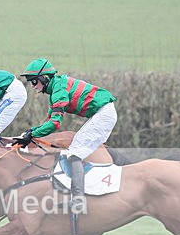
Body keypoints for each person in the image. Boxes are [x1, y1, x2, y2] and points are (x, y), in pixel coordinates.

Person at [14, 58, 117, 199]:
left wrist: (32, 135)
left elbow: (55, 123)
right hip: (100, 113)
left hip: (103, 114)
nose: (32, 86)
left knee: (74, 153)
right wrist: (31, 132)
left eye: (34, 81)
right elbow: (49, 121)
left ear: (44, 78)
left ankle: (78, 198)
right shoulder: (56, 88)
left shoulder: (59, 89)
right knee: (74, 152)